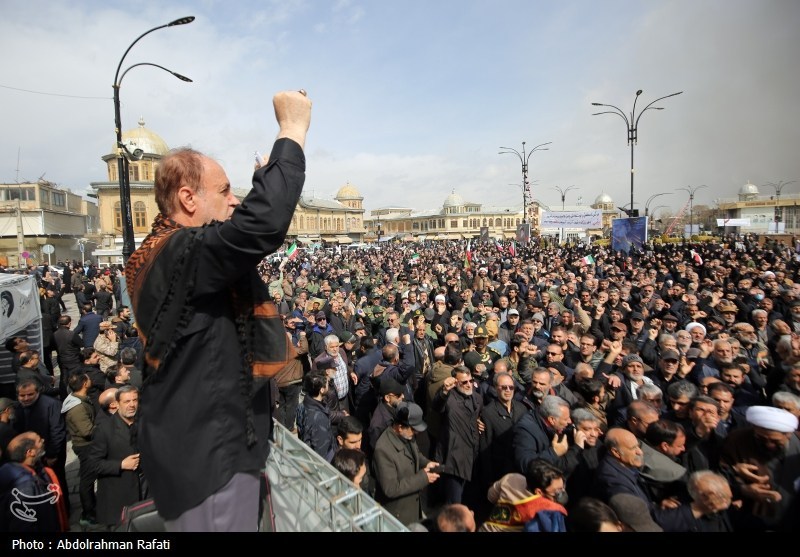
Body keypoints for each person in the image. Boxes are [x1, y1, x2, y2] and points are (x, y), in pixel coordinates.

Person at [123, 90, 311, 531]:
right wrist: (293, 130)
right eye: (225, 190)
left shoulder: (172, 254)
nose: (234, 201)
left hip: (206, 453)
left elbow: (244, 231)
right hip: (211, 464)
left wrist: (266, 182)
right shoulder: (176, 253)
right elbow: (260, 225)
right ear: (188, 198)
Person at [372, 402, 441, 525]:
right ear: (399, 427)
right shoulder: (383, 450)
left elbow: (415, 454)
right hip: (398, 516)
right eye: (413, 429)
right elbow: (391, 489)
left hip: (412, 508)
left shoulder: (407, 435)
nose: (416, 433)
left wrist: (426, 463)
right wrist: (423, 478)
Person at [85, 385, 144, 529]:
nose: (132, 405)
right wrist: (121, 465)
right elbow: (92, 464)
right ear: (116, 404)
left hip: (146, 496)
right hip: (119, 500)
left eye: (135, 400)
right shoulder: (104, 430)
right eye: (127, 401)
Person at [0, 432, 68, 532]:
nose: (43, 440)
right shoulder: (25, 486)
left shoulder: (33, 468)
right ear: (30, 452)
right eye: (39, 440)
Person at [60, 372, 97, 527]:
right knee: (87, 479)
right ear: (84, 384)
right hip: (85, 446)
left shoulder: (79, 400)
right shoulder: (77, 408)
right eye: (88, 378)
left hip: (84, 445)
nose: (90, 380)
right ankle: (88, 513)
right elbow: (87, 431)